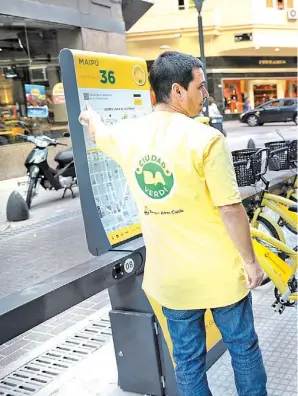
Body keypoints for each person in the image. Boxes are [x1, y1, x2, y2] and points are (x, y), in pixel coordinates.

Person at [79, 51, 267, 396]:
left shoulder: (128, 135)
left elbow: (99, 134)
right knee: (244, 350)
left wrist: (90, 117)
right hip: (220, 274)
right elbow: (230, 209)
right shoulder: (206, 140)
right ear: (178, 91)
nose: (205, 94)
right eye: (200, 86)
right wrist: (251, 263)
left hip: (171, 279)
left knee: (188, 363)